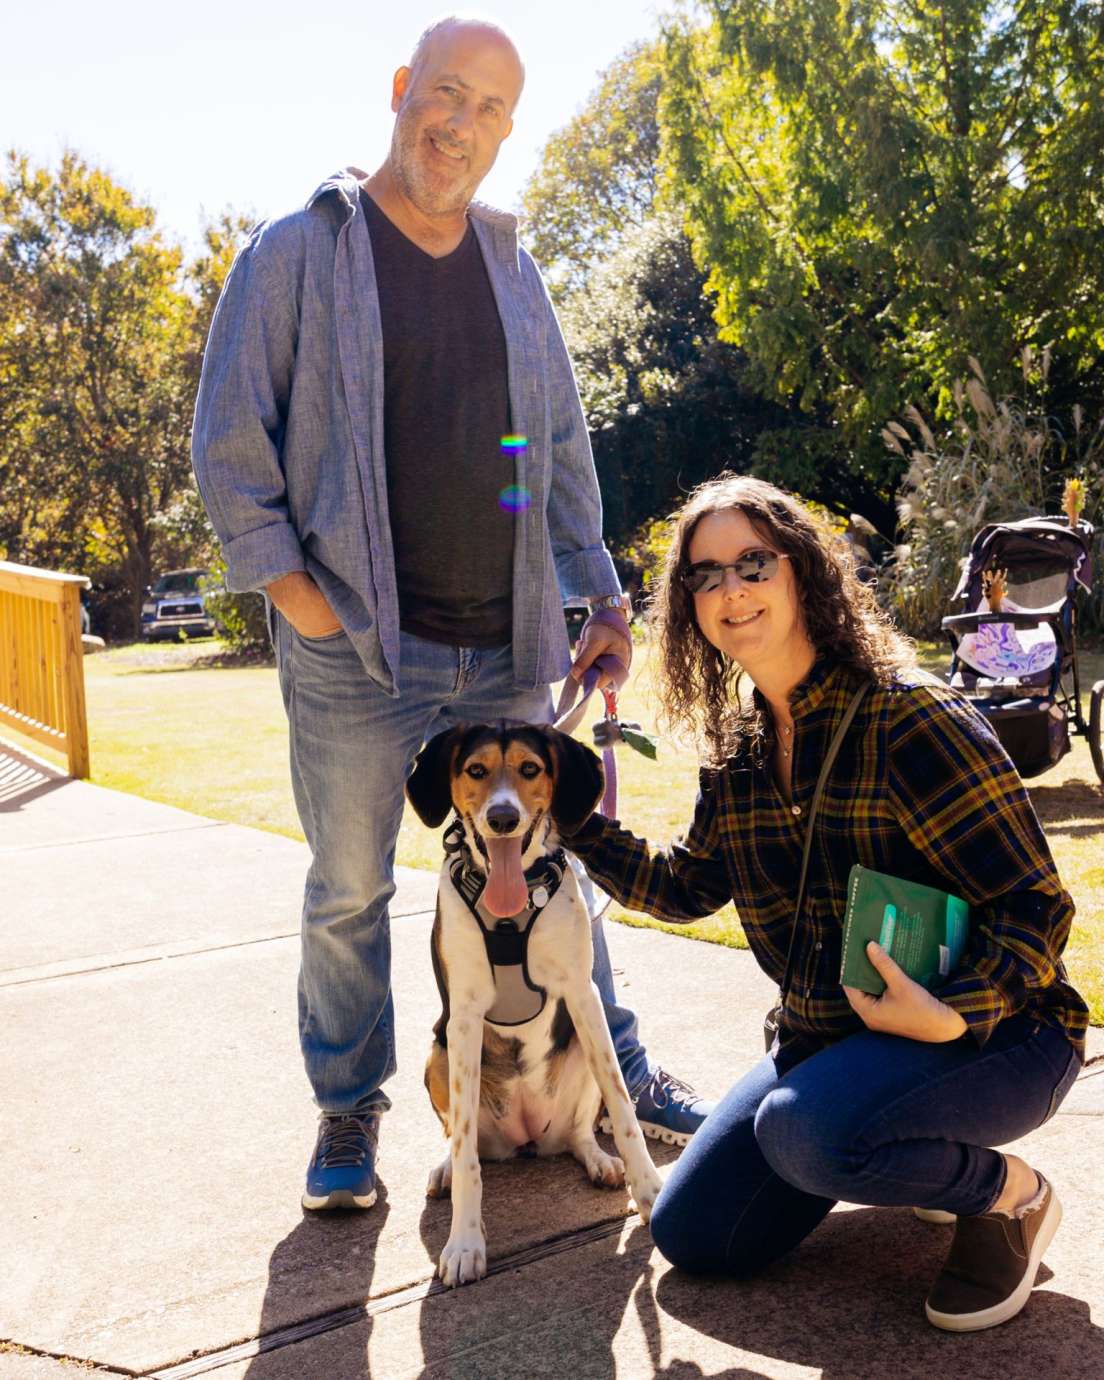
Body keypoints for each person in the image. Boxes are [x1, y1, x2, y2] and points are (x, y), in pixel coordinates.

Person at [191, 14, 711, 1212]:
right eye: (445, 92)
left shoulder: (513, 268)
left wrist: (599, 591)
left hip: (507, 646)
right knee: (350, 888)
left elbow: (560, 448)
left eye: (488, 110)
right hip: (360, 654)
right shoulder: (295, 254)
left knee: (546, 866)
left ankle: (613, 1062)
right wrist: (299, 599)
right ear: (400, 89)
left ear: (506, 131)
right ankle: (347, 1113)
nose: (459, 124)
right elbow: (229, 445)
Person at [563, 474, 1087, 1332]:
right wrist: (573, 818)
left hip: (1003, 1037)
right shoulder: (738, 749)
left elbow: (1036, 904)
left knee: (803, 1135)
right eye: (705, 574)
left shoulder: (909, 716)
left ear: (802, 570)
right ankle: (904, 1148)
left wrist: (951, 1014)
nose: (730, 590)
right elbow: (688, 886)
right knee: (697, 1235)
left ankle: (1008, 1198)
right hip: (835, 1041)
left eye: (753, 563)